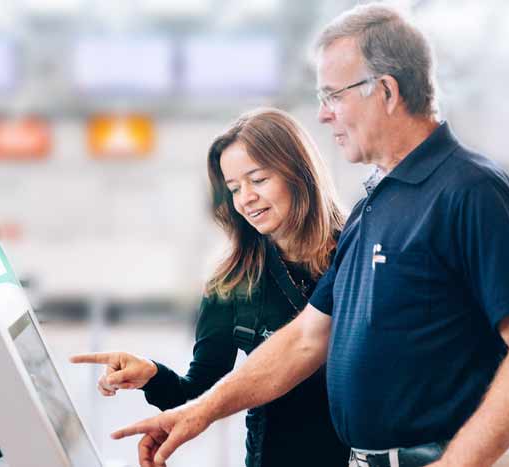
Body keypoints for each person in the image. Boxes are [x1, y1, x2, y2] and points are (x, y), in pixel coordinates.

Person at [108, 4, 509, 467]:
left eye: (333, 96)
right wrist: (195, 412)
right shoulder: (376, 203)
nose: (324, 115)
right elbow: (308, 337)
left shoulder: (467, 189)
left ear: (385, 91)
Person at [71, 108, 350, 467]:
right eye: (234, 188)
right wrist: (152, 377)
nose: (245, 197)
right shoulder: (232, 280)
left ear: (299, 173)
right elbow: (199, 396)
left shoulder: (360, 254)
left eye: (258, 179)